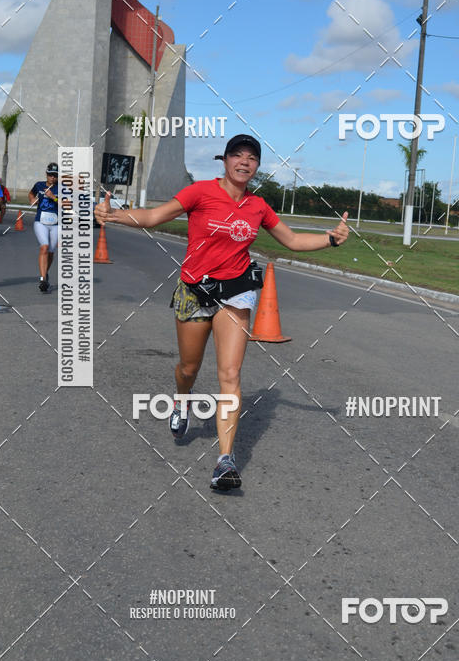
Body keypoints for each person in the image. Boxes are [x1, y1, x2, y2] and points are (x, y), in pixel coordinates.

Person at [94, 133, 349, 492]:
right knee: (189, 368)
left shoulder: (259, 206)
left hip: (237, 293)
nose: (244, 163)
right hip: (195, 291)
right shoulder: (200, 192)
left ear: (257, 167)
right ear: (225, 160)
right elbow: (153, 216)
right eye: (237, 156)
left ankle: (224, 461)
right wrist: (114, 215)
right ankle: (181, 401)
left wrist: (331, 239)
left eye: (252, 158)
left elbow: (292, 241)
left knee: (230, 374)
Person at [29, 162, 60, 292]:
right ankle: (43, 279)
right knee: (44, 247)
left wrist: (53, 197)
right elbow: (31, 194)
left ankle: (45, 273)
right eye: (50, 175)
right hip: (40, 222)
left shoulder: (61, 188)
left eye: (55, 175)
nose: (52, 177)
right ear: (46, 174)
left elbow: (67, 204)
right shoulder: (39, 185)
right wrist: (32, 199)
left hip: (55, 224)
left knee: (51, 252)